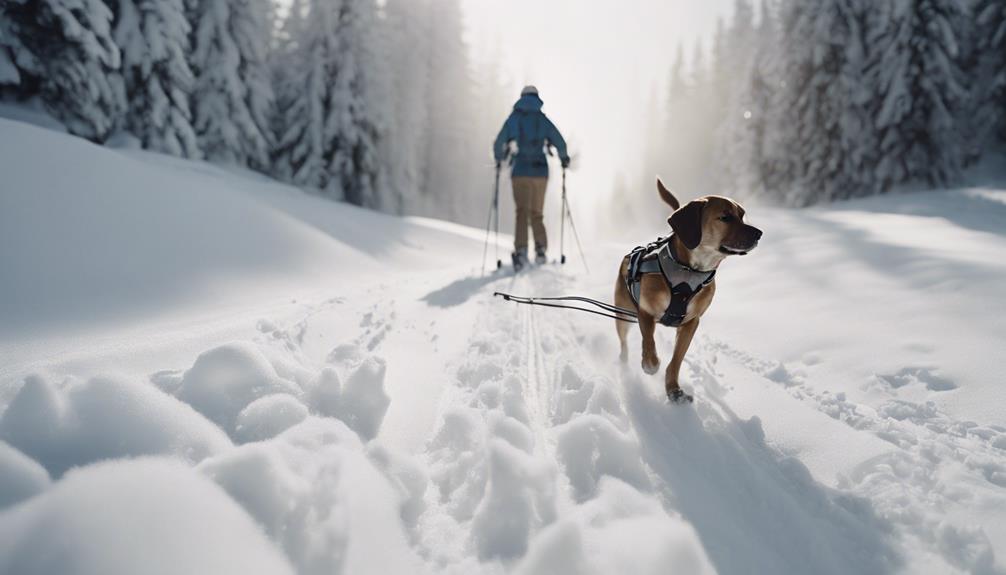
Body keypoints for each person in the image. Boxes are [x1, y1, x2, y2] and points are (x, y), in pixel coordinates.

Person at [493, 85, 570, 269]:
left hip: (519, 172)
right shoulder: (543, 120)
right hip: (540, 174)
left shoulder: (514, 119)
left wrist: (499, 158)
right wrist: (564, 159)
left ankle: (521, 251)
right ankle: (541, 250)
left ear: (522, 97)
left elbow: (499, 142)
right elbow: (559, 141)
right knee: (537, 213)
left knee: (521, 212)